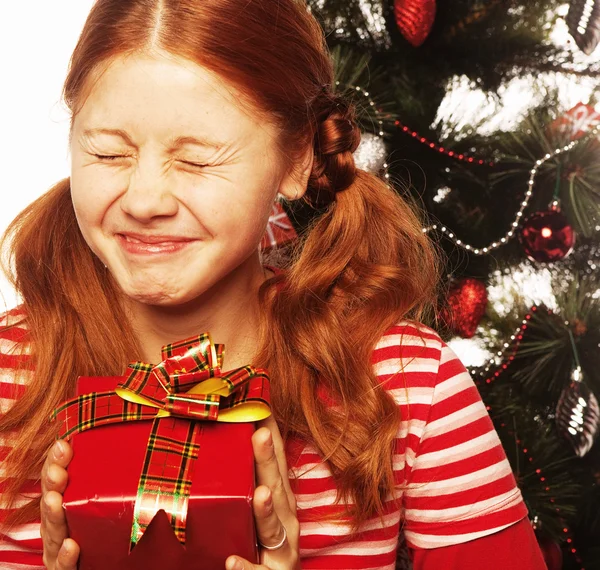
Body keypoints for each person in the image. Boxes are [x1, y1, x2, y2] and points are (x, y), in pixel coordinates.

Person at [0, 1, 548, 569]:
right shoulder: (7, 372)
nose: (143, 201)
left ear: (295, 159)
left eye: (196, 160)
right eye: (108, 153)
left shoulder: (408, 384)